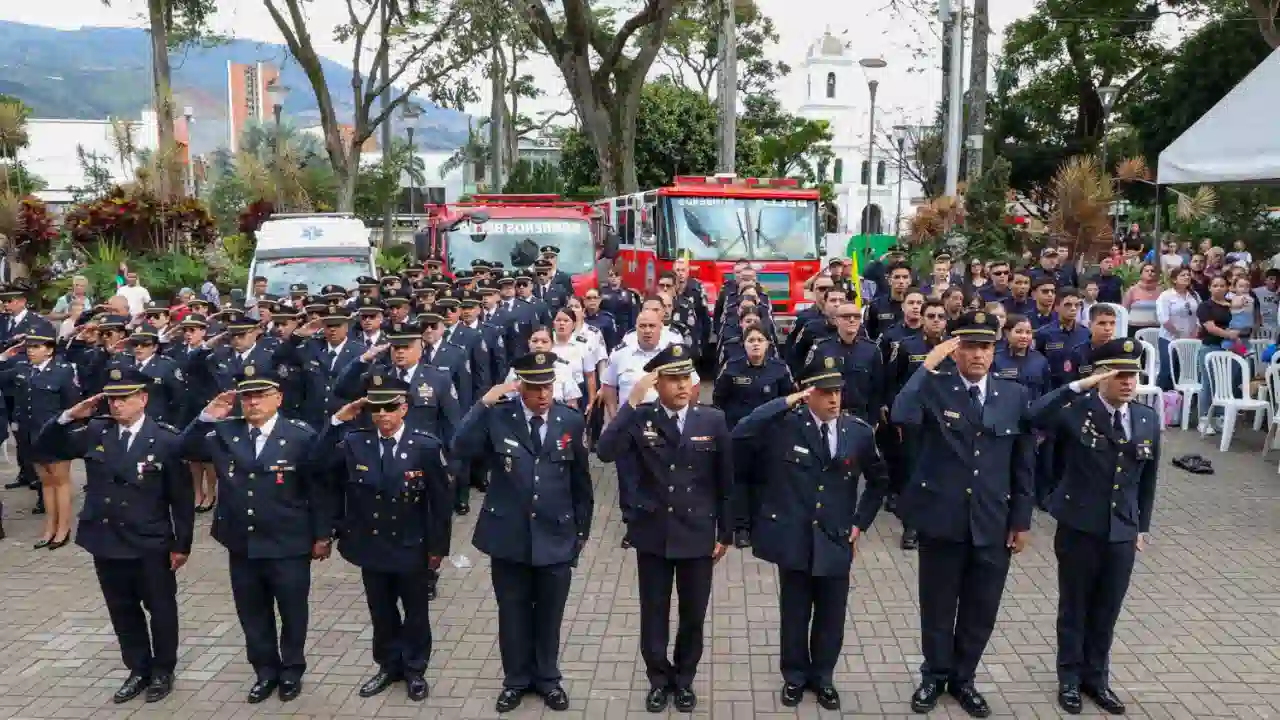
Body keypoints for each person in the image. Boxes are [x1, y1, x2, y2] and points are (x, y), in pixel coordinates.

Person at [891, 311, 1035, 717]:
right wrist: (930, 362)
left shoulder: (1014, 395)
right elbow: (901, 413)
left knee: (980, 608)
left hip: (992, 520)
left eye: (985, 346)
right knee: (938, 606)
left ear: (995, 351)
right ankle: (934, 676)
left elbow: (1024, 463)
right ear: (956, 351)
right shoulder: (935, 388)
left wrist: (1021, 519)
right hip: (943, 517)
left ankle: (964, 678)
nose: (978, 354)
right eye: (969, 346)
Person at [731, 356, 888, 710]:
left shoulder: (858, 432)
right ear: (807, 394)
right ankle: (795, 677)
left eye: (837, 392)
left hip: (835, 538)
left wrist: (860, 522)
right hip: (795, 536)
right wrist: (786, 401)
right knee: (795, 611)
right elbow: (742, 431)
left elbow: (879, 481)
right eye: (824, 392)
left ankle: (823, 677)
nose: (834, 399)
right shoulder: (785, 426)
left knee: (832, 614)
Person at [38, 368, 193, 704]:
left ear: (143, 399)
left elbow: (181, 498)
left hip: (149, 540)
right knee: (122, 609)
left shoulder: (165, 438)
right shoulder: (97, 431)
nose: (117, 404)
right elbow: (45, 447)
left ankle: (163, 669)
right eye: (112, 399)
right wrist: (67, 417)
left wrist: (182, 544)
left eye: (124, 398)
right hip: (105, 538)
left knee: (161, 608)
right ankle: (138, 668)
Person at [452, 352, 592, 714]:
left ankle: (547, 678)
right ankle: (515, 680)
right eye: (534, 387)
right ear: (520, 387)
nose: (543, 394)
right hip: (509, 537)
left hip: (556, 535)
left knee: (550, 614)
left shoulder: (570, 421)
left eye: (548, 385)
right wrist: (483, 402)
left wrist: (580, 536)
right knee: (512, 613)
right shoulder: (499, 417)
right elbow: (460, 446)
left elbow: (581, 486)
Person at [178, 371, 331, 704]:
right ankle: (265, 672)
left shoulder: (301, 436)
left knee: (292, 611)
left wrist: (322, 535)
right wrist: (207, 415)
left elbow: (318, 490)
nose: (253, 402)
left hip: (288, 541)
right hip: (242, 541)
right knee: (252, 612)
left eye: (261, 395)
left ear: (279, 398)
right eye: (247, 397)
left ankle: (291, 670)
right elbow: (184, 448)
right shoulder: (224, 432)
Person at [596, 344, 731, 713]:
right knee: (653, 613)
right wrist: (632, 402)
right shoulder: (641, 418)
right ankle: (658, 679)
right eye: (672, 379)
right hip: (653, 532)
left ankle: (684, 680)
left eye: (686, 377)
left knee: (693, 614)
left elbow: (726, 480)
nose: (682, 386)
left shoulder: (712, 420)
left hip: (697, 533)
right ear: (657, 384)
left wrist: (726, 532)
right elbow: (605, 451)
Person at [1028, 341, 1158, 716]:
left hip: (1122, 528)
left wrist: (1141, 526)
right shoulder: (1075, 411)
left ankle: (1096, 679)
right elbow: (1033, 416)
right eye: (1119, 375)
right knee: (1075, 605)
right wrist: (1076, 386)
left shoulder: (1146, 418)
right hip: (1080, 525)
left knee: (1107, 608)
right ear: (1100, 375)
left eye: (1132, 375)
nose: (1128, 382)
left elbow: (1148, 479)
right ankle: (1069, 678)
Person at [323, 373, 453, 702]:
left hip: (412, 545)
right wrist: (338, 420)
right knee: (380, 612)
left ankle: (414, 669)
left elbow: (440, 502)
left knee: (416, 613)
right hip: (372, 545)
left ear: (404, 408)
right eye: (376, 408)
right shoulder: (356, 442)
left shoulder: (425, 445)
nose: (382, 414)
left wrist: (438, 549)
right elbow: (317, 463)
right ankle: (387, 666)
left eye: (390, 407)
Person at [712, 325, 793, 548]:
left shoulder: (779, 369)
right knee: (740, 482)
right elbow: (719, 400)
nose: (756, 343)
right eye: (751, 340)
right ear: (744, 345)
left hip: (771, 437)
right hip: (739, 438)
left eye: (760, 339)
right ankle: (742, 528)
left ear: (768, 344)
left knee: (766, 481)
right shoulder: (732, 368)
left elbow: (789, 401)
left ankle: (762, 525)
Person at [0, 330, 81, 541]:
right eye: (29, 347)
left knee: (61, 481)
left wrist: (71, 433)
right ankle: (49, 527)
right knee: (45, 482)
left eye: (36, 347)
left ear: (50, 350)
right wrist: (3, 357)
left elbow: (72, 405)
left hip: (55, 434)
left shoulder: (62, 372)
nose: (31, 351)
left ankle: (63, 528)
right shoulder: (22, 368)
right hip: (30, 434)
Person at [1196, 276, 1235, 436]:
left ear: (1227, 287)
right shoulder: (1205, 306)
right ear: (1210, 288)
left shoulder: (1233, 306)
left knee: (1225, 384)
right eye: (1215, 285)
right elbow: (1210, 328)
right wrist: (1229, 335)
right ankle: (1204, 419)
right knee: (1208, 383)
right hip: (1210, 347)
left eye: (1222, 285)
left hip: (1230, 349)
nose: (1218, 288)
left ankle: (1219, 416)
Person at [1155, 267, 1200, 391]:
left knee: (1184, 371)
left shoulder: (1194, 295)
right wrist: (1179, 334)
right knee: (1168, 371)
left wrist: (1194, 333)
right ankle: (1161, 399)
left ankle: (1181, 402)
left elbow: (1199, 317)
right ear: (1174, 279)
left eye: (1188, 275)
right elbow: (1164, 319)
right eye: (1183, 275)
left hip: (1190, 339)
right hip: (1169, 338)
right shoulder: (1166, 296)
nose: (1187, 277)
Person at [1122, 263, 1162, 336]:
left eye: (1152, 271)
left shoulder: (1160, 291)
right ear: (1141, 275)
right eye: (1146, 271)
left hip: (1155, 329)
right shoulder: (1132, 290)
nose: (1150, 272)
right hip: (1134, 328)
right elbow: (1124, 310)